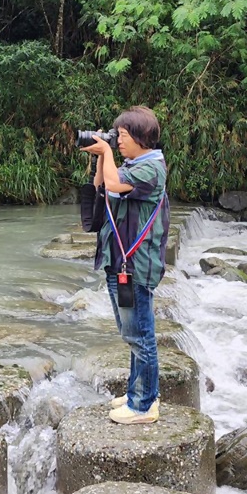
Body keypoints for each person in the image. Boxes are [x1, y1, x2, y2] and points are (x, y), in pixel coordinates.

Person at [79, 105, 170, 425]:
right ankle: (137, 392)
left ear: (142, 137)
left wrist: (106, 151)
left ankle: (144, 404)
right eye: (116, 136)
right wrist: (102, 155)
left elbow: (115, 184)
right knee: (131, 333)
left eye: (122, 136)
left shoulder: (151, 169)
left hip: (136, 265)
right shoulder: (133, 164)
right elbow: (103, 187)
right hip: (120, 261)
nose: (117, 140)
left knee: (140, 335)